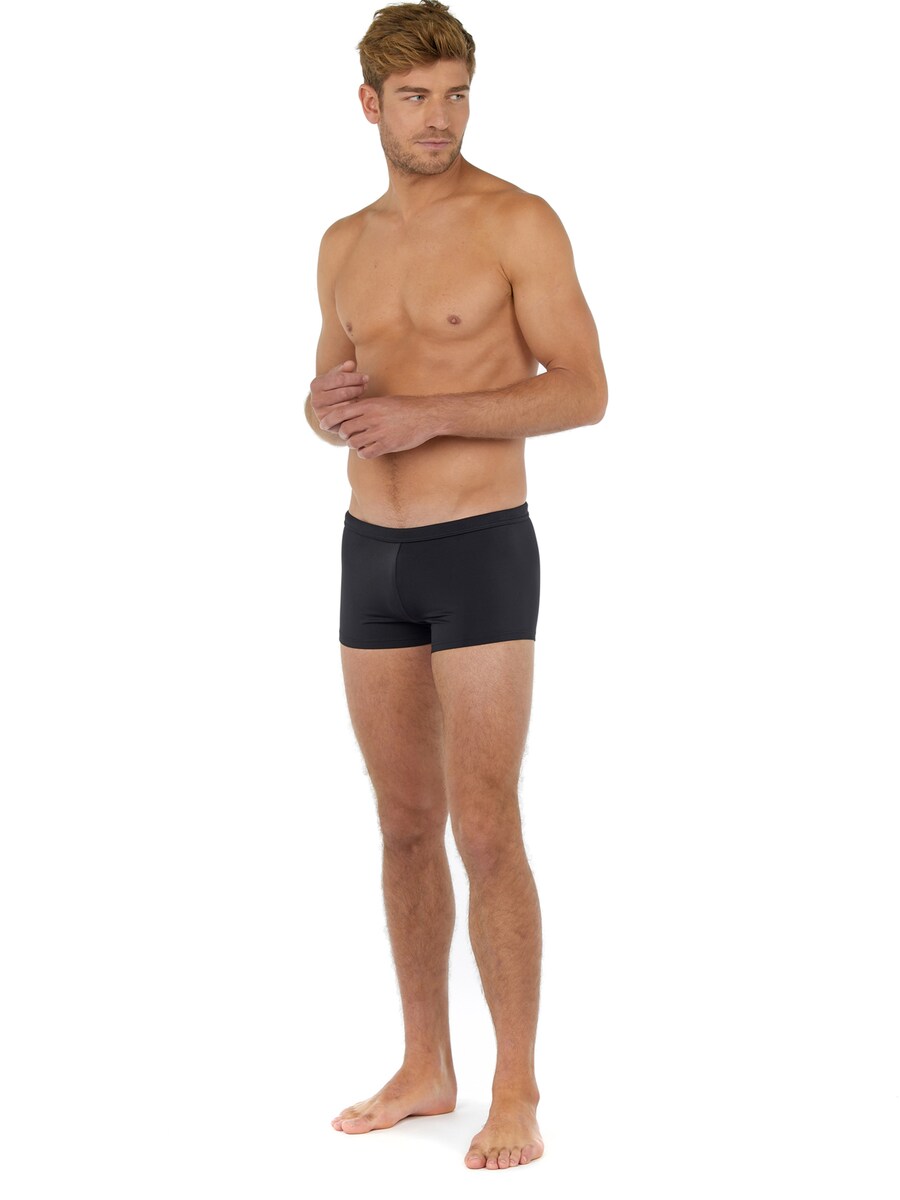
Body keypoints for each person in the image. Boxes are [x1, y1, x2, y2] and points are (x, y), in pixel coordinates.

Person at [305, 0, 607, 1171]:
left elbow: (582, 388)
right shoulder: (342, 242)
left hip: (479, 546)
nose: (440, 118)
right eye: (416, 98)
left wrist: (427, 415)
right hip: (368, 553)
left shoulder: (516, 221)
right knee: (400, 824)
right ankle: (426, 1063)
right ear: (370, 105)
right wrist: (323, 409)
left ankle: (516, 1087)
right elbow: (327, 390)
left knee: (485, 824)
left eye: (456, 95)